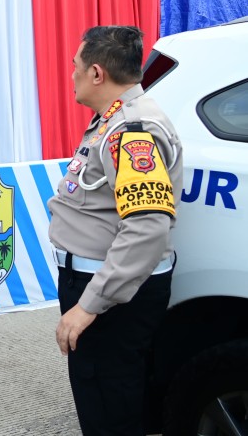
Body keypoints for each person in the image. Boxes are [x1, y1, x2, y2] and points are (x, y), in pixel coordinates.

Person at [49, 25, 182, 435]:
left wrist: (90, 305)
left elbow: (146, 227)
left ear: (95, 73)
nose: (70, 74)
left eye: (75, 66)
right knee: (116, 393)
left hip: (108, 294)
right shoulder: (112, 121)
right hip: (104, 284)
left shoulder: (130, 132)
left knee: (108, 402)